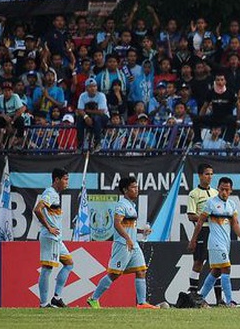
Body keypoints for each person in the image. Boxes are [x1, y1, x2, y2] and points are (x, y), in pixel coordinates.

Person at [87, 176, 158, 309]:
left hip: (132, 244)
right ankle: (93, 298)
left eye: (137, 187)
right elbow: (117, 223)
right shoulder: (121, 205)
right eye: (133, 187)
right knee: (114, 274)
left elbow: (128, 226)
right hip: (123, 244)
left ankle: (141, 303)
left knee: (141, 270)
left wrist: (141, 231)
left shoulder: (131, 205)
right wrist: (127, 238)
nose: (136, 190)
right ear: (125, 190)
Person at [189, 177, 240, 307]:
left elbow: (235, 224)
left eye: (226, 190)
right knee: (226, 268)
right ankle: (230, 302)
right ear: (218, 188)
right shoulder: (211, 203)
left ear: (231, 191)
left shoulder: (231, 205)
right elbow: (200, 222)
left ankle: (200, 298)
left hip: (225, 243)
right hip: (215, 243)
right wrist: (193, 239)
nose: (224, 192)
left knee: (216, 271)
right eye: (222, 189)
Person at [33, 168, 73, 308]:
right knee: (47, 268)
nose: (67, 182)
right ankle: (44, 303)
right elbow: (37, 209)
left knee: (69, 263)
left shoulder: (55, 194)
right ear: (57, 179)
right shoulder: (50, 193)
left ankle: (56, 297)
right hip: (50, 236)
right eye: (65, 179)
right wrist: (49, 227)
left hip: (57, 238)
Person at [186, 163, 222, 303]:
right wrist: (206, 217)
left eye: (212, 174)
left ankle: (219, 299)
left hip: (216, 231)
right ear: (200, 175)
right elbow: (190, 215)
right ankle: (193, 294)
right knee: (198, 262)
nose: (210, 177)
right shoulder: (194, 194)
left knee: (217, 264)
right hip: (202, 230)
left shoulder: (215, 193)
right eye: (207, 174)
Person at [76, 78, 109, 151]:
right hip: (89, 116)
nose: (93, 88)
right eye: (90, 87)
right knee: (79, 119)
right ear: (86, 88)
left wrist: (87, 111)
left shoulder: (101, 95)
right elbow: (80, 110)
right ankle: (80, 144)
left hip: (103, 117)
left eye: (94, 86)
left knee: (97, 118)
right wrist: (86, 117)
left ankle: (97, 143)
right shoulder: (83, 96)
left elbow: (101, 112)